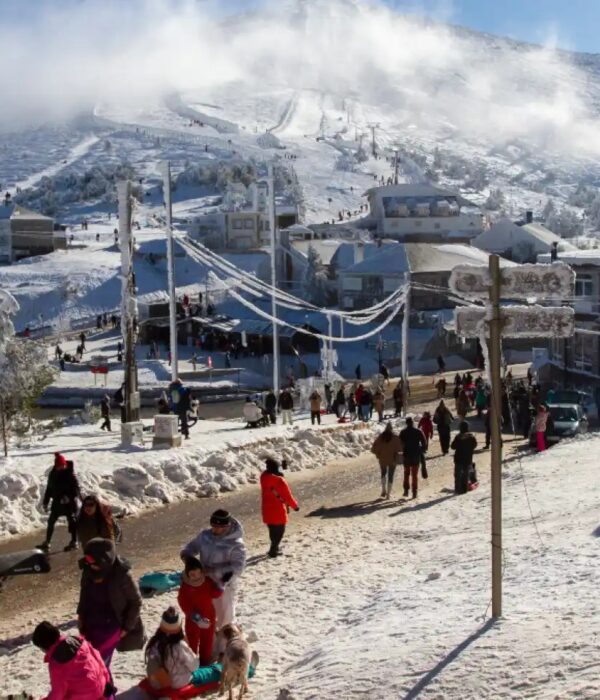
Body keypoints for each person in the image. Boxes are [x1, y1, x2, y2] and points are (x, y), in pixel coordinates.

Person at [78, 538, 144, 667]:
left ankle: (105, 686)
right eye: (88, 561)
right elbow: (84, 594)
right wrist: (80, 616)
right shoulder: (88, 570)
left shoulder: (122, 574)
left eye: (93, 562)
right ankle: (106, 686)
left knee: (100, 664)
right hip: (91, 624)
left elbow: (136, 601)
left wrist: (126, 627)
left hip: (113, 626)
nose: (91, 565)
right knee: (92, 661)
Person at [181, 510, 247, 629]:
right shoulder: (205, 535)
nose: (215, 530)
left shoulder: (236, 544)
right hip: (204, 582)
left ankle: (225, 638)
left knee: (225, 617)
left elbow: (238, 568)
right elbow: (192, 547)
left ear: (227, 526)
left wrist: (212, 571)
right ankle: (210, 636)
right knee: (206, 612)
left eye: (219, 527)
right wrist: (187, 556)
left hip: (224, 583)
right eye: (213, 526)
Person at [32, 620, 112, 700]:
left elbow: (58, 694)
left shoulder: (57, 663)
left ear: (45, 645)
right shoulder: (77, 640)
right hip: (101, 687)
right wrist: (107, 681)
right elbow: (98, 658)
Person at [178, 559, 223, 665]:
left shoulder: (207, 581)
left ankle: (204, 661)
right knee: (192, 640)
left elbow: (214, 594)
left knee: (207, 641)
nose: (197, 577)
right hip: (193, 619)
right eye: (193, 574)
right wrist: (195, 617)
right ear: (188, 574)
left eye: (199, 573)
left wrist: (221, 587)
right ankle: (191, 662)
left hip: (208, 615)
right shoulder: (186, 586)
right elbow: (183, 603)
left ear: (202, 572)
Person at [145, 606, 198, 691]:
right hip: (177, 683)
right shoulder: (180, 646)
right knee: (202, 673)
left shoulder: (154, 642)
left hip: (156, 683)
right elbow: (194, 666)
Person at [39, 453, 80, 552]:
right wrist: (45, 502)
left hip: (69, 504)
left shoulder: (70, 474)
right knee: (51, 522)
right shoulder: (52, 474)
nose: (61, 467)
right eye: (59, 466)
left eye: (62, 465)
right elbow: (49, 489)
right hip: (57, 503)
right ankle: (47, 542)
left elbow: (76, 490)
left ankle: (74, 542)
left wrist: (68, 497)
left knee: (72, 521)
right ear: (55, 466)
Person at [260, 457, 299, 557]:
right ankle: (273, 549)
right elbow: (287, 496)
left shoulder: (263, 478)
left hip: (267, 509)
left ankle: (275, 548)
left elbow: (268, 474)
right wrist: (295, 506)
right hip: (278, 510)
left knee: (272, 530)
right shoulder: (279, 481)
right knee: (280, 531)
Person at [371, 422, 403, 499]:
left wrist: (378, 455)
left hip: (382, 459)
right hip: (393, 460)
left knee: (383, 474)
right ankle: (388, 494)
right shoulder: (395, 438)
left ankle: (383, 490)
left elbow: (374, 449)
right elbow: (401, 448)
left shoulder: (380, 437)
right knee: (391, 475)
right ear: (392, 429)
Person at [399, 417, 427, 499]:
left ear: (406, 423)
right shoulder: (418, 431)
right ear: (412, 423)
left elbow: (400, 443)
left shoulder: (403, 432)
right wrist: (421, 450)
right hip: (416, 455)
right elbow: (424, 443)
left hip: (407, 455)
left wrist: (403, 449)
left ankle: (406, 491)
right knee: (414, 475)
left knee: (406, 473)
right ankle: (414, 492)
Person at [451, 421, 477, 495]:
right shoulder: (471, 437)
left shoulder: (458, 437)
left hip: (459, 458)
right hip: (468, 458)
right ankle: (464, 489)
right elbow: (474, 445)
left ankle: (457, 489)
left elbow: (453, 446)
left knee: (457, 474)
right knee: (465, 474)